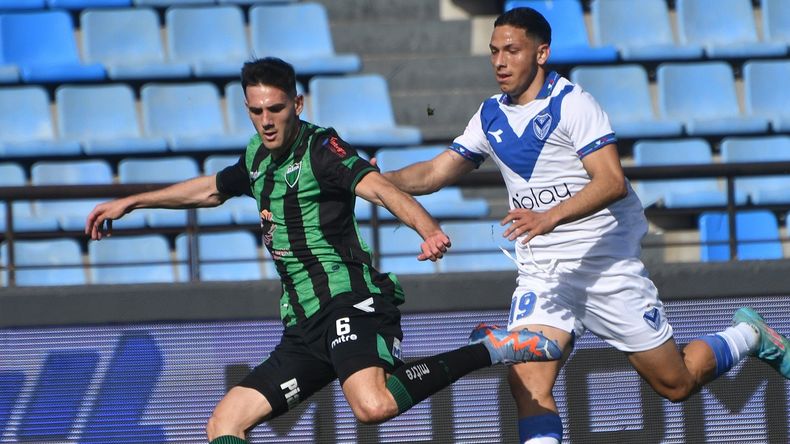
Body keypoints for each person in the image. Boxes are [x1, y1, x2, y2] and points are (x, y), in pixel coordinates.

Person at [84, 57, 561, 444]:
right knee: (224, 423)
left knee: (372, 406)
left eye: (276, 109)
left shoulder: (321, 149)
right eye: (256, 111)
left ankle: (487, 350)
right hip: (303, 321)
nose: (267, 121)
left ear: (297, 103)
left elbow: (377, 187)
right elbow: (210, 189)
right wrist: (133, 200)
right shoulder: (255, 157)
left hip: (348, 298)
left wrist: (427, 228)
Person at [377, 7, 790, 444]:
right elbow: (437, 171)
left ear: (541, 53)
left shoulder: (574, 104)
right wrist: (376, 180)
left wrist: (547, 217)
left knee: (677, 384)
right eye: (494, 51)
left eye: (511, 50)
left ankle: (748, 333)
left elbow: (611, 182)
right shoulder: (489, 115)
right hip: (545, 273)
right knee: (528, 387)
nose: (499, 61)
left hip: (604, 266)